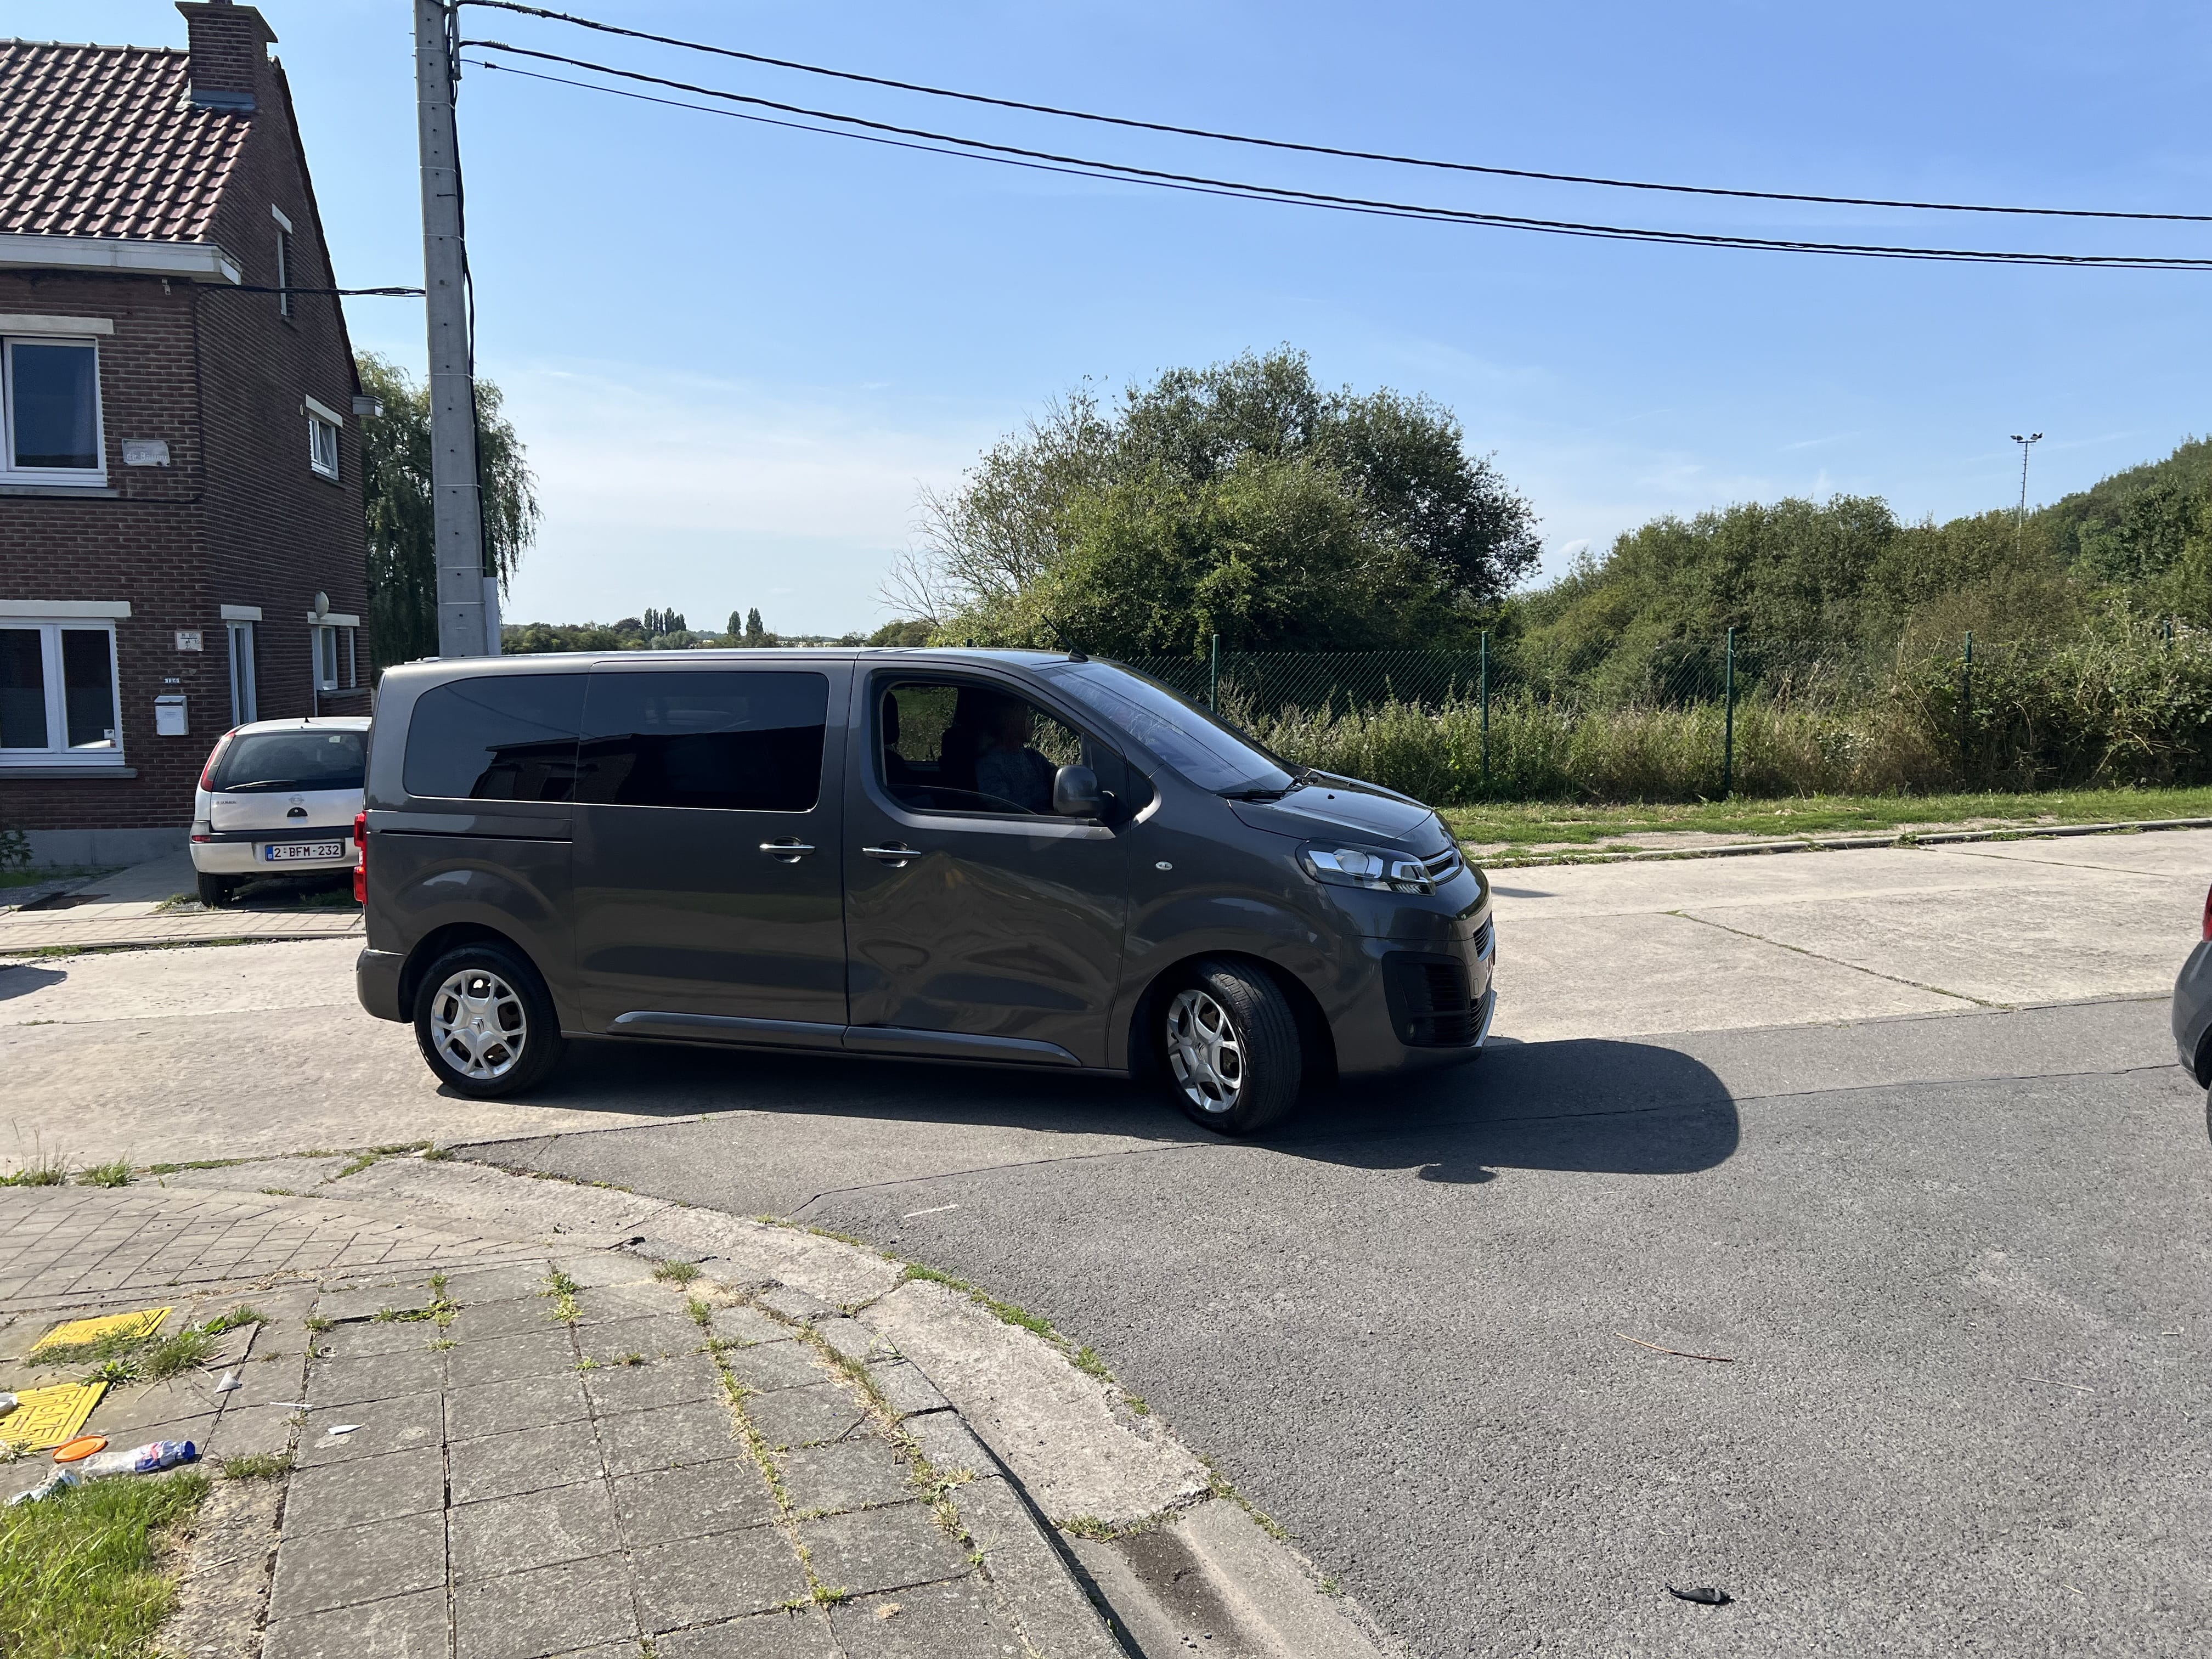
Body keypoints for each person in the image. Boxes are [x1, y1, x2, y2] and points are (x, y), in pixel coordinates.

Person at [973, 697, 1056, 812]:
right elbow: (1003, 810)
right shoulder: (989, 764)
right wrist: (1050, 816)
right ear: (1012, 722)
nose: (1033, 727)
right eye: (1027, 719)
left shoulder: (1033, 756)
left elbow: (1057, 776)